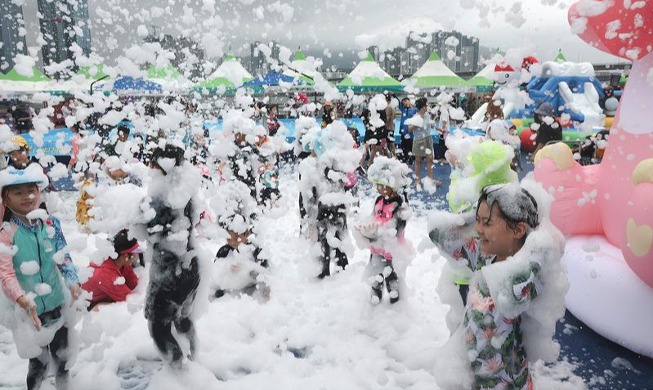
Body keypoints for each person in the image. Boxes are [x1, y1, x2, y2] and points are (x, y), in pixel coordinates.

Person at [429, 182, 566, 389]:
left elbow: (510, 296)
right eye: (478, 222)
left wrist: (540, 241)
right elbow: (439, 234)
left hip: (506, 382)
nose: (479, 229)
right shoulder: (484, 258)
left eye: (487, 223)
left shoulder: (531, 275)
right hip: (474, 377)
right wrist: (474, 216)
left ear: (519, 229)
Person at [0, 164, 81, 390]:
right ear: (6, 197)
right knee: (38, 366)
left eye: (32, 190)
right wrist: (21, 299)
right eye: (18, 192)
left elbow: (63, 257)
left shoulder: (50, 223)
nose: (28, 196)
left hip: (57, 303)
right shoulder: (6, 233)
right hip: (30, 311)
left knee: (63, 360)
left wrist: (73, 282)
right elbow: (5, 273)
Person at [144, 144, 201, 370]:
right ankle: (193, 359)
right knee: (182, 318)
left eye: (153, 165)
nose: (149, 169)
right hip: (190, 267)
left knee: (158, 327)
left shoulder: (164, 197)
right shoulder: (185, 192)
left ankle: (181, 371)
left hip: (169, 273)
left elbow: (150, 227)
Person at [355, 156, 412, 304]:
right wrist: (365, 227)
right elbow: (373, 218)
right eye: (377, 185)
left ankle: (395, 302)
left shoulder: (400, 205)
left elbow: (396, 230)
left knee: (392, 277)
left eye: (382, 185)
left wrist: (377, 233)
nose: (378, 188)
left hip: (391, 251)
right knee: (375, 276)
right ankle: (375, 297)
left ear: (392, 184)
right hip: (376, 249)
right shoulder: (379, 201)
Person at [81, 229, 141, 311]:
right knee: (117, 309)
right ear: (126, 256)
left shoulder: (122, 263)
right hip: (90, 303)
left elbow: (133, 284)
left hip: (107, 295)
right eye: (135, 253)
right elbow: (128, 299)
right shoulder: (106, 274)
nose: (137, 256)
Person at [408, 98, 435, 187]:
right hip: (419, 140)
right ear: (422, 107)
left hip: (428, 138)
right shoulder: (415, 117)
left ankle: (430, 179)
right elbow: (409, 129)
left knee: (430, 158)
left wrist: (439, 129)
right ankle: (418, 179)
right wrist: (417, 123)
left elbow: (430, 124)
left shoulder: (427, 115)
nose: (426, 107)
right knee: (418, 160)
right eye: (425, 106)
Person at [398, 97, 417, 165]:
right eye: (404, 103)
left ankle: (411, 159)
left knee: (410, 146)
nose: (405, 104)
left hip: (410, 132)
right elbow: (398, 103)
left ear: (409, 101)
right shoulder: (404, 109)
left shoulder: (415, 110)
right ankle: (405, 158)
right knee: (403, 146)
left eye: (406, 102)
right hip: (403, 132)